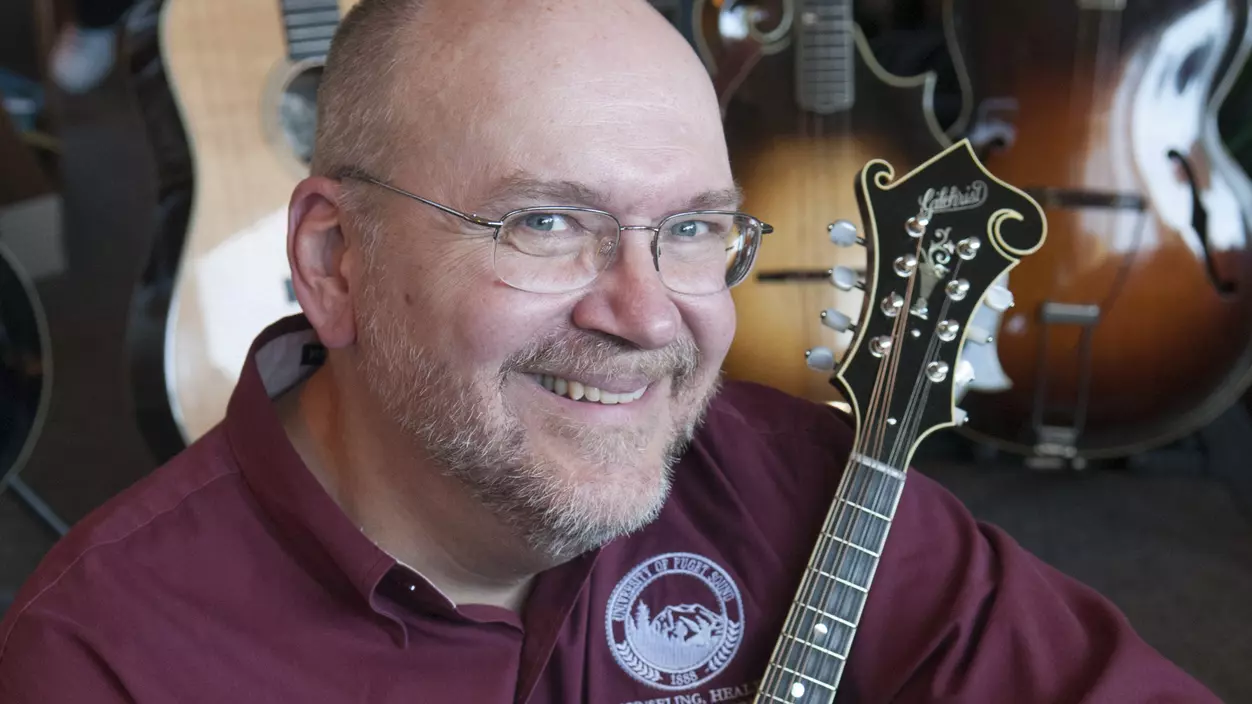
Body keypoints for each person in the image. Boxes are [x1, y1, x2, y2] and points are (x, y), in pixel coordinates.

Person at [0, 0, 1220, 701]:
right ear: (333, 258)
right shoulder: (111, 655)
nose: (645, 315)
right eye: (545, 221)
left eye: (691, 229)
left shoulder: (802, 483)